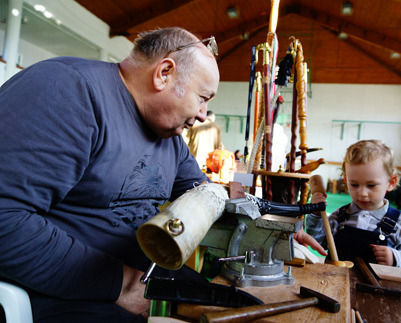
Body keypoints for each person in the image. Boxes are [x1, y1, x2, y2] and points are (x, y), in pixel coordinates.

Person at [0, 27, 326, 322]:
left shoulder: (168, 137)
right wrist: (122, 284)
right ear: (164, 73)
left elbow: (209, 197)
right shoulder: (68, 91)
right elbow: (5, 219)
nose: (202, 115)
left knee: (250, 313)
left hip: (136, 278)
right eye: (202, 98)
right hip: (58, 292)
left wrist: (271, 230)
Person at [306, 140, 401, 270]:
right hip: (335, 284)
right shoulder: (340, 216)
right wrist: (316, 215)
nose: (362, 193)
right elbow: (319, 240)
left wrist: (395, 257)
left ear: (391, 182)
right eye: (354, 185)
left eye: (371, 185)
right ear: (346, 179)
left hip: (378, 289)